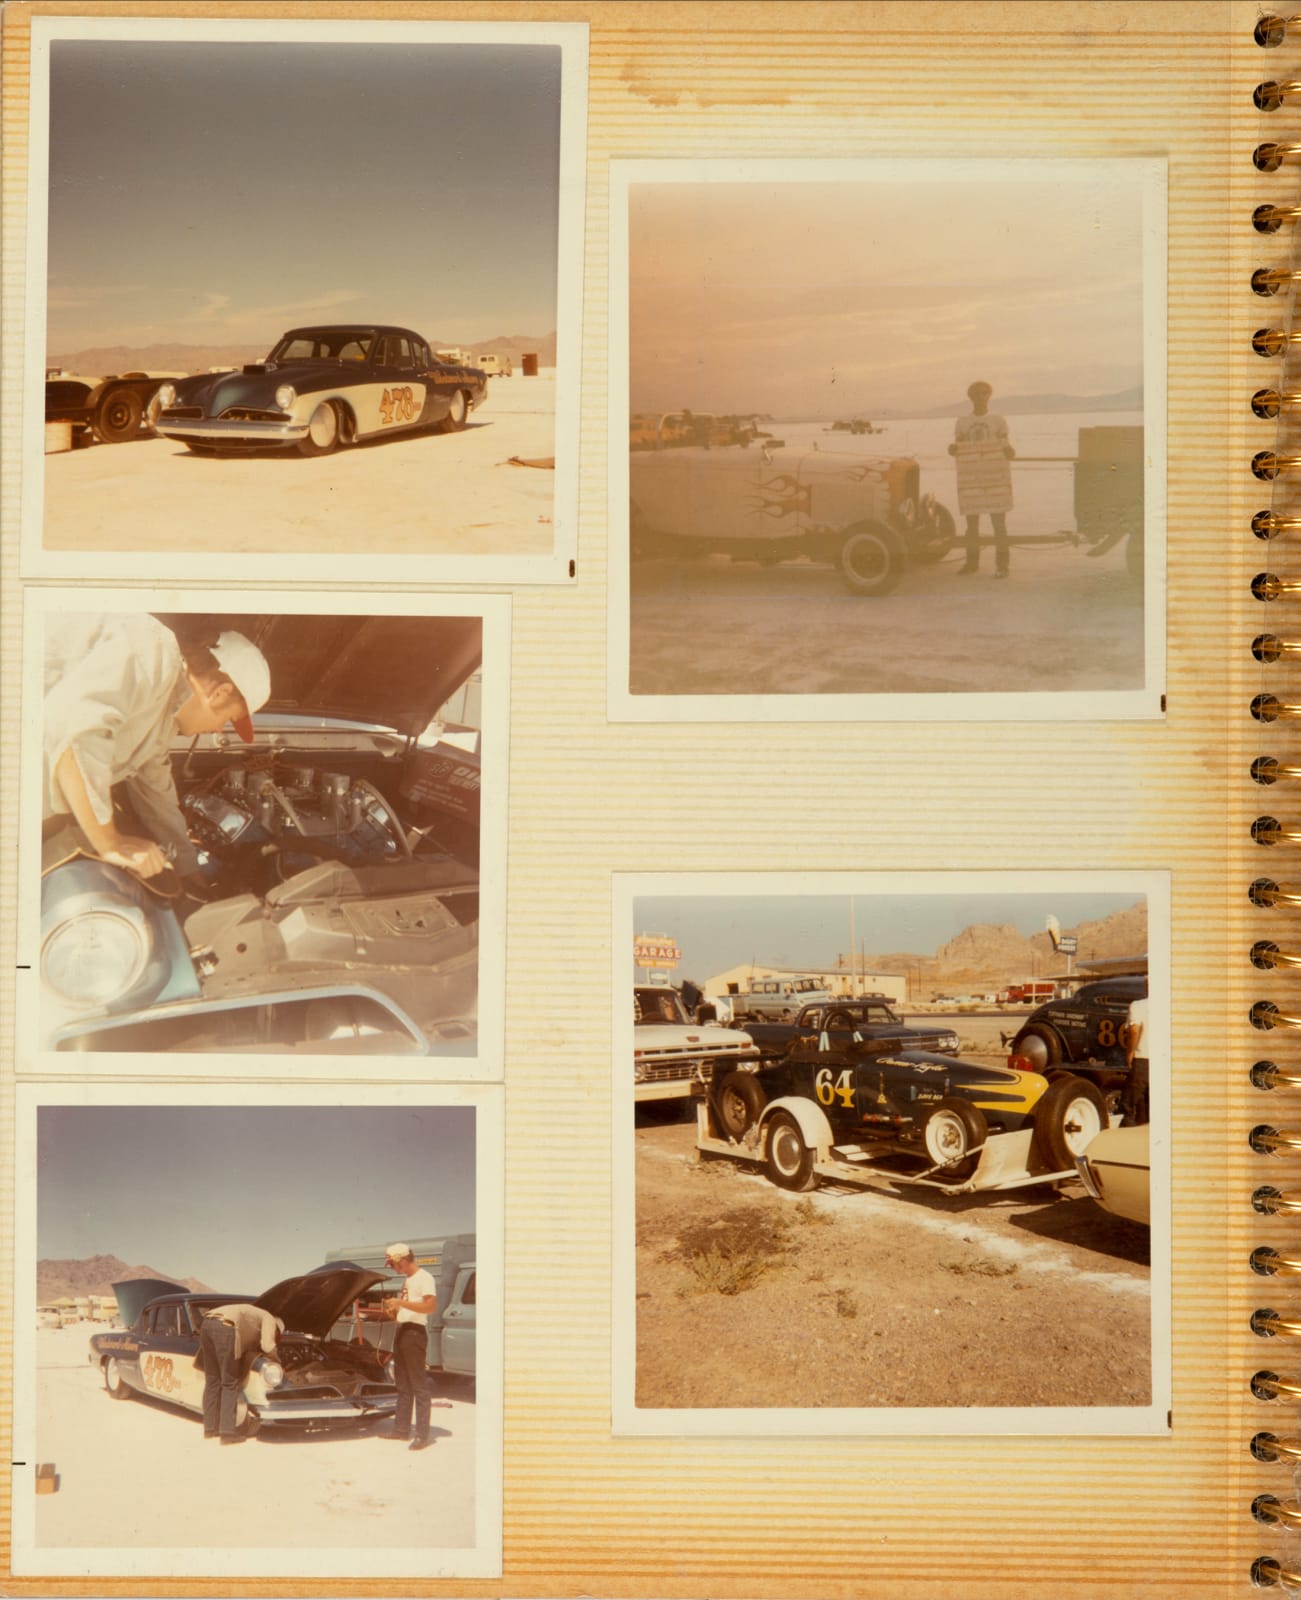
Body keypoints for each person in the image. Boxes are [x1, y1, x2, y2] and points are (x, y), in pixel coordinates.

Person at [42, 614, 271, 887]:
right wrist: (111, 843)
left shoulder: (163, 721)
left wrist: (189, 871)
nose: (220, 730)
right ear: (219, 693)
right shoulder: (150, 651)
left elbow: (157, 796)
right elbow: (76, 730)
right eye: (228, 719)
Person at [948, 380, 1016, 578]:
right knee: (972, 526)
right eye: (976, 393)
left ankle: (1002, 566)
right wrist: (953, 450)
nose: (980, 397)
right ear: (970, 397)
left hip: (994, 479)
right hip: (972, 481)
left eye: (984, 393)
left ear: (989, 395)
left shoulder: (998, 420)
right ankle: (972, 563)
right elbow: (959, 446)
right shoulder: (962, 422)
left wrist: (1009, 451)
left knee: (999, 524)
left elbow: (1005, 445)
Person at [375, 1243, 437, 1452]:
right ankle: (401, 1430)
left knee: (418, 1384)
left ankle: (422, 1435)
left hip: (415, 1333)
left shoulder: (424, 1277)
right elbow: (409, 1307)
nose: (392, 1267)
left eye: (392, 1264)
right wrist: (394, 1309)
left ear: (402, 1259)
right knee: (402, 1383)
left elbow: (430, 1306)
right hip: (403, 1331)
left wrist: (402, 1305)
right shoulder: (408, 1280)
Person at [196, 1302, 284, 1444]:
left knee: (212, 1381)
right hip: (226, 1328)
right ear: (277, 1329)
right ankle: (227, 1433)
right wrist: (279, 1360)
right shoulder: (269, 1319)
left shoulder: (254, 1316)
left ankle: (210, 1429)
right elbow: (267, 1346)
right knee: (230, 1382)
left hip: (207, 1324)